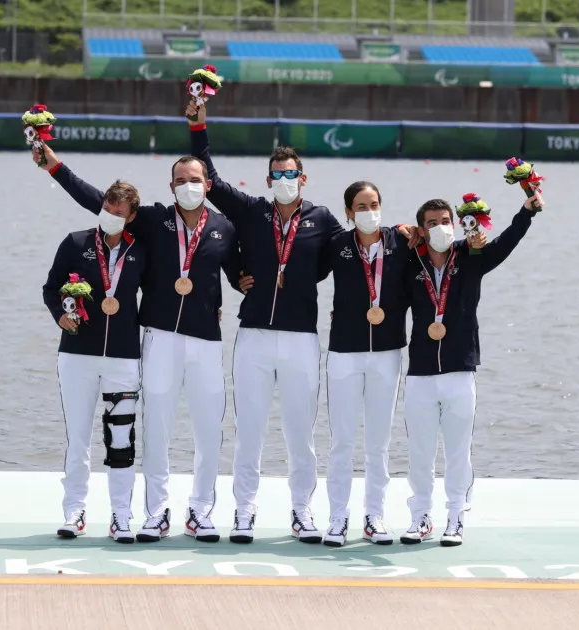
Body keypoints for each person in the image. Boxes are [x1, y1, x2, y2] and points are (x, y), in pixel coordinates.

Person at [34, 144, 242, 544]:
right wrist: (55, 167)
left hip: (206, 342)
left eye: (195, 181)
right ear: (171, 185)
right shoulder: (151, 222)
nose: (187, 187)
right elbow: (101, 201)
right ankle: (156, 512)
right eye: (180, 181)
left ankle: (200, 512)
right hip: (158, 337)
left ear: (207, 185)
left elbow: (237, 271)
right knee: (156, 432)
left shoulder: (224, 227)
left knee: (208, 433)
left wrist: (251, 283)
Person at [186, 99, 345, 544]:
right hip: (253, 336)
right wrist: (199, 129)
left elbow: (355, 253)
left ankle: (302, 512)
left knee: (301, 435)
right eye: (277, 174)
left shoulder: (323, 219)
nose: (285, 180)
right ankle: (244, 512)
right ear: (268, 179)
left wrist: (400, 236)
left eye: (291, 173)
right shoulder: (253, 210)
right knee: (249, 432)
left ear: (303, 178)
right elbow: (211, 182)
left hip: (300, 340)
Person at [320, 182, 486, 548]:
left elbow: (437, 256)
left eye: (374, 204)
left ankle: (374, 517)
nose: (368, 211)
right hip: (342, 355)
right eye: (361, 206)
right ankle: (336, 518)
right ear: (349, 212)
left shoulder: (401, 245)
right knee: (342, 442)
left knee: (378, 444)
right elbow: (301, 271)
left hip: (387, 353)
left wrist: (413, 230)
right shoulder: (335, 245)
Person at [401, 193, 543, 547]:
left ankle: (455, 516)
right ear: (422, 228)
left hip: (460, 371)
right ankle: (420, 517)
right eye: (431, 223)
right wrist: (401, 230)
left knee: (457, 451)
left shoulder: (472, 257)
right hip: (419, 374)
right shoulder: (408, 262)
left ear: (456, 223)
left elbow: (507, 242)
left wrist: (526, 211)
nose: (439, 228)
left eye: (445, 221)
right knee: (419, 452)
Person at [41, 180, 147, 543]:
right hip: (77, 355)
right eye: (107, 210)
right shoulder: (75, 243)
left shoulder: (141, 249)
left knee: (121, 438)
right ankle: (75, 510)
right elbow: (51, 288)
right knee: (78, 438)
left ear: (131, 217)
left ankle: (121, 516)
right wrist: (60, 314)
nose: (110, 218)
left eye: (119, 214)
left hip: (123, 358)